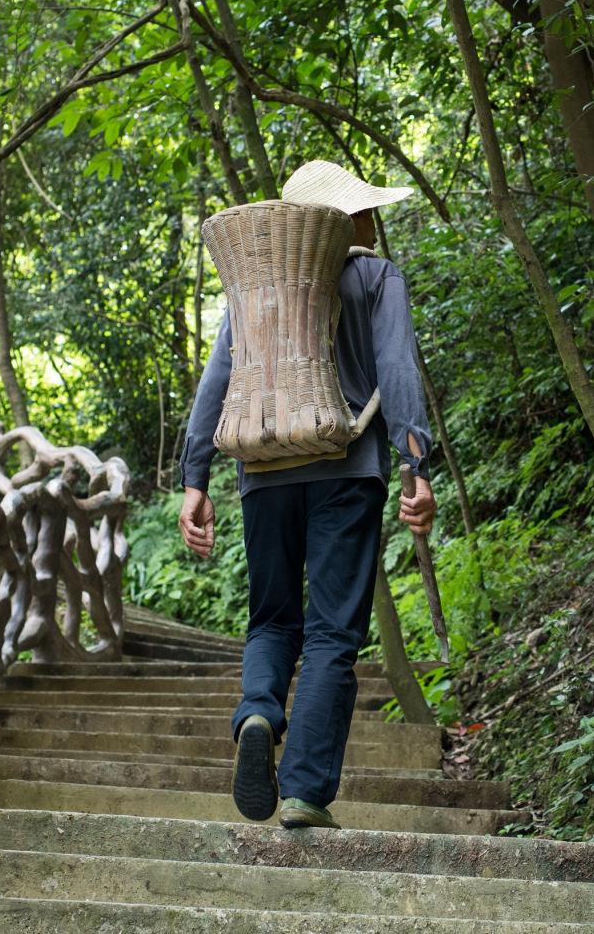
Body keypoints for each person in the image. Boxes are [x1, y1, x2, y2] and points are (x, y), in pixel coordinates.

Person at [179, 159, 436, 830]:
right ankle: (303, 792)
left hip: (262, 473)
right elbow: (399, 371)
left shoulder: (256, 288)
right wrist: (415, 465)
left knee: (271, 619)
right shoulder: (375, 277)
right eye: (366, 209)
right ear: (348, 218)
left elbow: (217, 385)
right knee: (330, 633)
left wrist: (194, 479)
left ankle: (259, 710)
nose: (375, 221)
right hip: (347, 470)